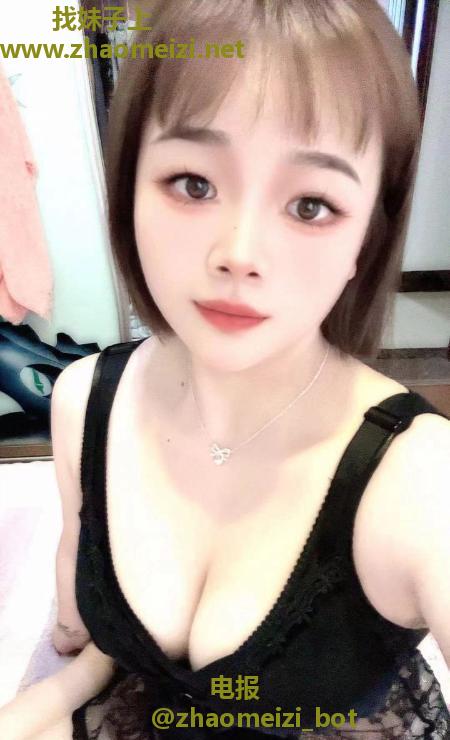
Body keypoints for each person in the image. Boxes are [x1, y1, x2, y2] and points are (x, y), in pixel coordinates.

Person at [1, 1, 449, 738]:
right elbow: (82, 627)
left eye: (311, 204)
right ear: (129, 187)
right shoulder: (83, 401)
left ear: (368, 239)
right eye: (193, 184)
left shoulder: (422, 478)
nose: (239, 252)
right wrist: (59, 691)